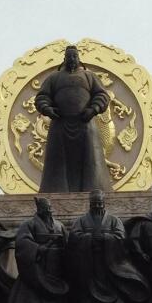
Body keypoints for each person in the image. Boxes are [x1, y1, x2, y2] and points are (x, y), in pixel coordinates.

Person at [35, 45, 111, 192]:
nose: (72, 59)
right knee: (58, 163)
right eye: (69, 56)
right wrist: (48, 109)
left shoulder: (89, 76)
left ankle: (93, 190)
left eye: (74, 56)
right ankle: (57, 191)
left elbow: (102, 95)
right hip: (60, 125)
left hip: (85, 124)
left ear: (79, 58)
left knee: (90, 161)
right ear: (64, 59)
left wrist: (93, 109)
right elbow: (42, 97)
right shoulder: (54, 78)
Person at [68, 190, 149, 303]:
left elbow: (121, 236)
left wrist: (105, 237)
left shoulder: (114, 220)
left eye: (99, 203)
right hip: (89, 259)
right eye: (94, 203)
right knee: (86, 282)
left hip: (110, 259)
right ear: (90, 204)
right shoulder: (81, 221)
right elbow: (74, 236)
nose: (97, 206)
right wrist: (90, 237)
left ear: (104, 203)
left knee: (112, 281)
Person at [5, 197, 69, 303]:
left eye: (49, 208)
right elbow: (22, 241)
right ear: (39, 209)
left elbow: (68, 242)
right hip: (37, 267)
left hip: (56, 267)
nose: (48, 210)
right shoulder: (28, 224)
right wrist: (38, 248)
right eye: (45, 208)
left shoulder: (59, 225)